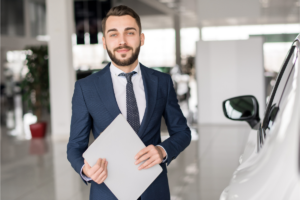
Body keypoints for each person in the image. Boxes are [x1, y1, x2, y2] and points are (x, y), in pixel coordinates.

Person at [67, 5, 191, 200]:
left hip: (154, 191)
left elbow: (183, 132)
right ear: (104, 41)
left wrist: (163, 150)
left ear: (141, 38)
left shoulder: (161, 82)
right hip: (107, 191)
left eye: (130, 33)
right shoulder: (86, 88)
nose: (122, 41)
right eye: (113, 34)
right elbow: (75, 145)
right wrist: (86, 170)